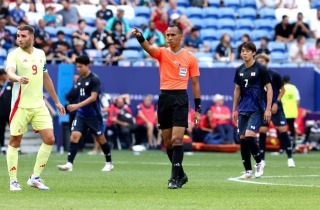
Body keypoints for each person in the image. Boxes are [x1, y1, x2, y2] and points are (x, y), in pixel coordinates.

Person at [131, 23, 201, 189]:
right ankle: (181, 174)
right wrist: (140, 37)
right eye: (167, 35)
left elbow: (196, 84)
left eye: (172, 35)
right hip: (164, 98)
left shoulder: (190, 57)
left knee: (177, 140)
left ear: (180, 37)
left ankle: (174, 179)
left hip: (180, 99)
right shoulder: (162, 52)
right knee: (168, 143)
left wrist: (198, 109)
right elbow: (148, 48)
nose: (169, 38)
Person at [5, 25, 66, 191]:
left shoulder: (41, 54)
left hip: (39, 104)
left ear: (31, 37)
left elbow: (46, 77)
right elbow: (9, 73)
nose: (20, 39)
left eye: (23, 36)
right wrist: (18, 78)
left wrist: (57, 101)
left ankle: (35, 177)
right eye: (18, 36)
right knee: (15, 141)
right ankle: (13, 181)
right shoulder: (14, 55)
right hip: (20, 106)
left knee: (50, 139)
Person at [57, 55, 114, 172]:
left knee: (101, 139)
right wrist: (77, 107)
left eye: (81, 67)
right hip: (81, 115)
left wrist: (77, 106)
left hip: (93, 115)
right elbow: (81, 97)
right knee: (74, 137)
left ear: (88, 65)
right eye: (77, 67)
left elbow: (93, 98)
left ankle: (109, 163)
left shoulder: (95, 79)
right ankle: (69, 164)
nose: (78, 69)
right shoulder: (79, 79)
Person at [232, 41, 272, 179]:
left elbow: (270, 88)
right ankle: (248, 171)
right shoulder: (239, 69)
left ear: (254, 53)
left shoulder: (261, 68)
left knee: (249, 136)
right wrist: (234, 110)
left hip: (257, 108)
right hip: (243, 108)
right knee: (242, 139)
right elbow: (237, 90)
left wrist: (268, 109)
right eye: (242, 51)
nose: (244, 53)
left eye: (247, 51)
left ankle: (259, 162)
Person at [256, 54, 295, 168]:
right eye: (258, 61)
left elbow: (282, 90)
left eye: (262, 61)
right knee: (263, 132)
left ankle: (290, 158)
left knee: (283, 131)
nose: (260, 63)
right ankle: (262, 159)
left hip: (276, 107)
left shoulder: (275, 74)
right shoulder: (255, 76)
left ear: (267, 62)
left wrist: (276, 103)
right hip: (263, 108)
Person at [281, 75, 300, 148]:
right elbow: (298, 101)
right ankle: (293, 146)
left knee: (282, 130)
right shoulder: (294, 88)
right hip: (292, 112)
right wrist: (296, 109)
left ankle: (282, 147)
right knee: (292, 129)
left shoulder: (281, 88)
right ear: (289, 80)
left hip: (283, 112)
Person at [0, 69, 12, 154]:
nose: (6, 76)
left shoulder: (10, 84)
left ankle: (16, 146)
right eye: (5, 74)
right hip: (0, 112)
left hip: (10, 111)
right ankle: (3, 146)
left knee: (14, 129)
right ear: (1, 76)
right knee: (1, 130)